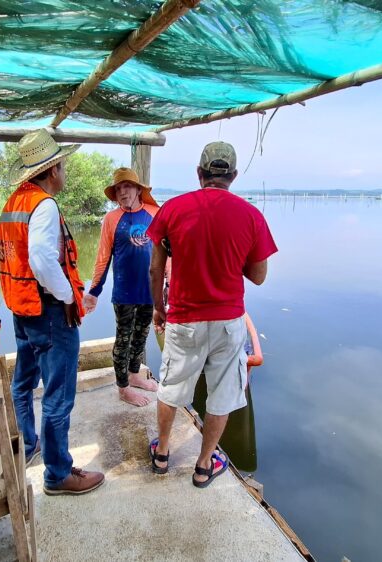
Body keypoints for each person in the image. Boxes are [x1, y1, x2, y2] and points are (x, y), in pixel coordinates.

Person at [146, 141, 278, 488]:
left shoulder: (172, 209)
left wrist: (159, 308)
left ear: (199, 174)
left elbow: (155, 269)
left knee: (171, 388)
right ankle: (204, 465)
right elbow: (260, 276)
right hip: (228, 322)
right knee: (222, 393)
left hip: (183, 319)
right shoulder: (251, 215)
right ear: (233, 176)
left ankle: (161, 455)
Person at [0, 129, 104, 496]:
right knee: (58, 395)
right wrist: (70, 299)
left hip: (23, 309)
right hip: (49, 312)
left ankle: (30, 445)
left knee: (23, 383)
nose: (64, 171)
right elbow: (42, 260)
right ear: (53, 168)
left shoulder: (14, 203)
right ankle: (58, 474)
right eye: (63, 165)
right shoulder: (43, 205)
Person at [84, 168, 160, 407]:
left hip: (149, 291)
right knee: (124, 340)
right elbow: (103, 257)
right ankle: (123, 388)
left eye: (127, 186)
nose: (122, 192)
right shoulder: (111, 219)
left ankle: (135, 375)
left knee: (142, 335)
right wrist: (94, 291)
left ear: (139, 189)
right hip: (124, 292)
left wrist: (167, 289)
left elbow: (166, 253)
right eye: (118, 188)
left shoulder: (154, 213)